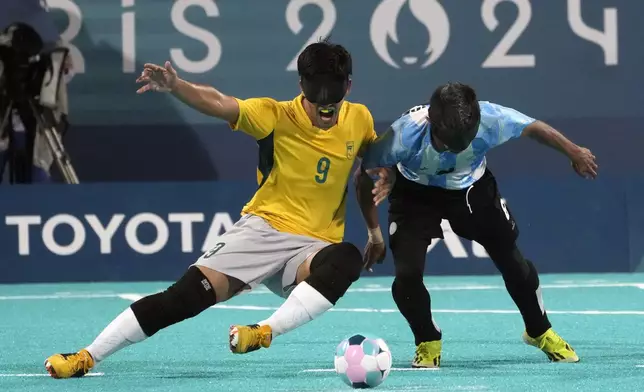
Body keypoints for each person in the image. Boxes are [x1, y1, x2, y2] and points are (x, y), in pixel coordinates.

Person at [44, 39, 389, 378]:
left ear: (348, 86)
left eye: (334, 101)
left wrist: (384, 192)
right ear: (301, 86)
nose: (325, 111)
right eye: (317, 102)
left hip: (313, 249)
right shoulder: (274, 115)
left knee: (345, 258)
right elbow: (220, 103)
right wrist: (177, 86)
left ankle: (263, 332)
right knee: (183, 298)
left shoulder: (359, 119)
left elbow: (376, 164)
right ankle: (87, 356)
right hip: (263, 231)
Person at [358, 82, 597, 368]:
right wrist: (375, 233)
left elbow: (534, 128)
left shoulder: (491, 118)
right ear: (433, 123)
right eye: (447, 143)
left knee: (512, 261)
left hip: (471, 190)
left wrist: (574, 152)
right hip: (414, 194)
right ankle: (427, 340)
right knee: (407, 275)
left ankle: (539, 331)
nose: (455, 147)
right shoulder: (404, 135)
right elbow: (363, 175)